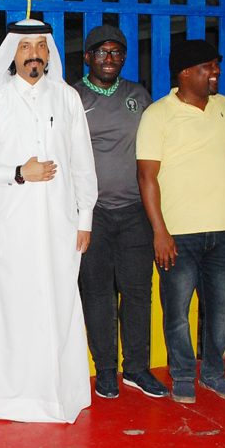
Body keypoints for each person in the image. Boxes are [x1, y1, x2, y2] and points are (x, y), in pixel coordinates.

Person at [0, 19, 98, 423]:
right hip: (14, 225)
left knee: (60, 304)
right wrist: (18, 173)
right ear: (12, 54)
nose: (34, 54)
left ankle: (64, 393)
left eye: (41, 46)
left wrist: (86, 216)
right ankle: (14, 399)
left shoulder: (66, 98)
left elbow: (83, 162)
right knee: (17, 307)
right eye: (25, 47)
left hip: (62, 224)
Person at [136, 39, 225, 404]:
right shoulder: (157, 114)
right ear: (184, 72)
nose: (215, 73)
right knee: (178, 311)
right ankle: (183, 375)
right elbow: (146, 176)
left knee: (222, 309)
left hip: (224, 230)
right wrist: (160, 232)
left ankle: (214, 373)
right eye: (207, 67)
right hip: (178, 234)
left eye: (216, 66)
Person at [72, 25, 164, 399]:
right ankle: (106, 369)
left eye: (117, 53)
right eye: (103, 53)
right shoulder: (72, 97)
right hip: (91, 215)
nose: (110, 60)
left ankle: (136, 368)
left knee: (138, 292)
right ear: (88, 58)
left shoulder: (137, 95)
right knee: (96, 294)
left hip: (134, 213)